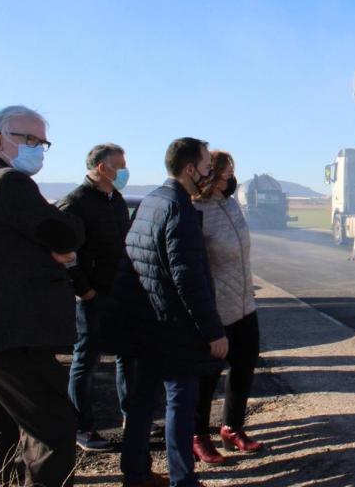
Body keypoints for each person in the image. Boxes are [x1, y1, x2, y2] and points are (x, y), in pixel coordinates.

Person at [0, 106, 85, 487]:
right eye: (29, 140)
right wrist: (64, 240)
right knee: (54, 429)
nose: (38, 149)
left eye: (42, 142)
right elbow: (64, 234)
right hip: (15, 331)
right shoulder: (8, 182)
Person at [121, 137, 228, 487]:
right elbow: (188, 279)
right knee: (180, 404)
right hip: (174, 327)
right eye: (207, 166)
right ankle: (182, 480)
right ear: (189, 169)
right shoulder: (179, 209)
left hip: (146, 322)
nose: (209, 173)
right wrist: (213, 331)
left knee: (141, 402)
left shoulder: (152, 200)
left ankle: (134, 473)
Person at [56, 143, 131, 453]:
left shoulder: (116, 199)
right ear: (103, 167)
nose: (125, 171)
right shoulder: (75, 203)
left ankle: (133, 416)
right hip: (92, 297)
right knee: (86, 360)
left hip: (121, 292)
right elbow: (62, 254)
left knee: (129, 354)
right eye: (121, 165)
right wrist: (83, 290)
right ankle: (82, 428)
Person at [191, 151, 263, 465]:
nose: (230, 180)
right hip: (216, 307)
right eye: (224, 174)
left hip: (245, 303)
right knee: (206, 375)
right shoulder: (195, 211)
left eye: (232, 174)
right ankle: (198, 436)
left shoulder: (231, 204)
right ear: (209, 176)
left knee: (244, 367)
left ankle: (232, 428)